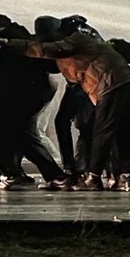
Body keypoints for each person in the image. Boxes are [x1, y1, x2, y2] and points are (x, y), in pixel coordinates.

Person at [0, 21, 130, 191]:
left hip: (110, 83)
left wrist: (10, 44)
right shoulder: (78, 47)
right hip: (120, 82)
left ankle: (93, 178)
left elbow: (50, 50)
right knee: (119, 131)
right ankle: (124, 177)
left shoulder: (75, 40)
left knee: (103, 131)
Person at [0, 15, 69, 190]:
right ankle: (16, 173)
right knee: (18, 134)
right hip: (36, 94)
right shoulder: (25, 37)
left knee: (8, 134)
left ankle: (49, 175)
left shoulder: (9, 41)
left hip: (20, 96)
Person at [38, 15, 101, 179]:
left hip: (84, 84)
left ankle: (75, 167)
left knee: (68, 122)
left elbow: (55, 66)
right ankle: (84, 167)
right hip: (91, 83)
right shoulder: (82, 31)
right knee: (86, 125)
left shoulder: (67, 40)